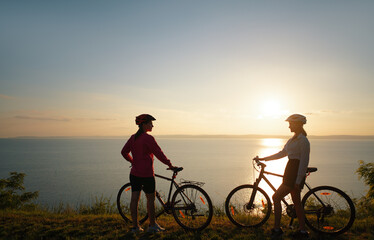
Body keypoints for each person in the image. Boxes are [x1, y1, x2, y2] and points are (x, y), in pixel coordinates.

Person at [253, 114, 310, 238]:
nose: (289, 126)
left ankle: (277, 229)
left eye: (291, 123)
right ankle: (302, 231)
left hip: (294, 173)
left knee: (276, 197)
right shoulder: (292, 140)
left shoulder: (303, 141)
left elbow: (304, 162)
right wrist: (264, 158)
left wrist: (298, 180)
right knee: (297, 203)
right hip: (289, 171)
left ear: (298, 124)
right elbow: (282, 153)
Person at [121, 114, 176, 233]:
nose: (152, 125)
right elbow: (159, 153)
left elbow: (124, 152)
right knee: (150, 200)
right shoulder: (148, 138)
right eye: (151, 123)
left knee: (134, 199)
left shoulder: (133, 138)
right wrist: (169, 164)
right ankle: (152, 225)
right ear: (144, 124)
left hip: (134, 174)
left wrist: (132, 161)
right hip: (147, 175)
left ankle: (135, 227)